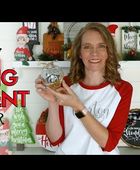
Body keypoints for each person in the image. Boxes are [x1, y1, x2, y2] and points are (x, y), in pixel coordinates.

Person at [35, 22, 133, 154]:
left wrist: (78, 107)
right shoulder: (66, 84)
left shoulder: (123, 90)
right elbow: (55, 139)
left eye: (101, 46)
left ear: (108, 51)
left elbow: (109, 144)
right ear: (80, 53)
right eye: (87, 47)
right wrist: (52, 101)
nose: (94, 53)